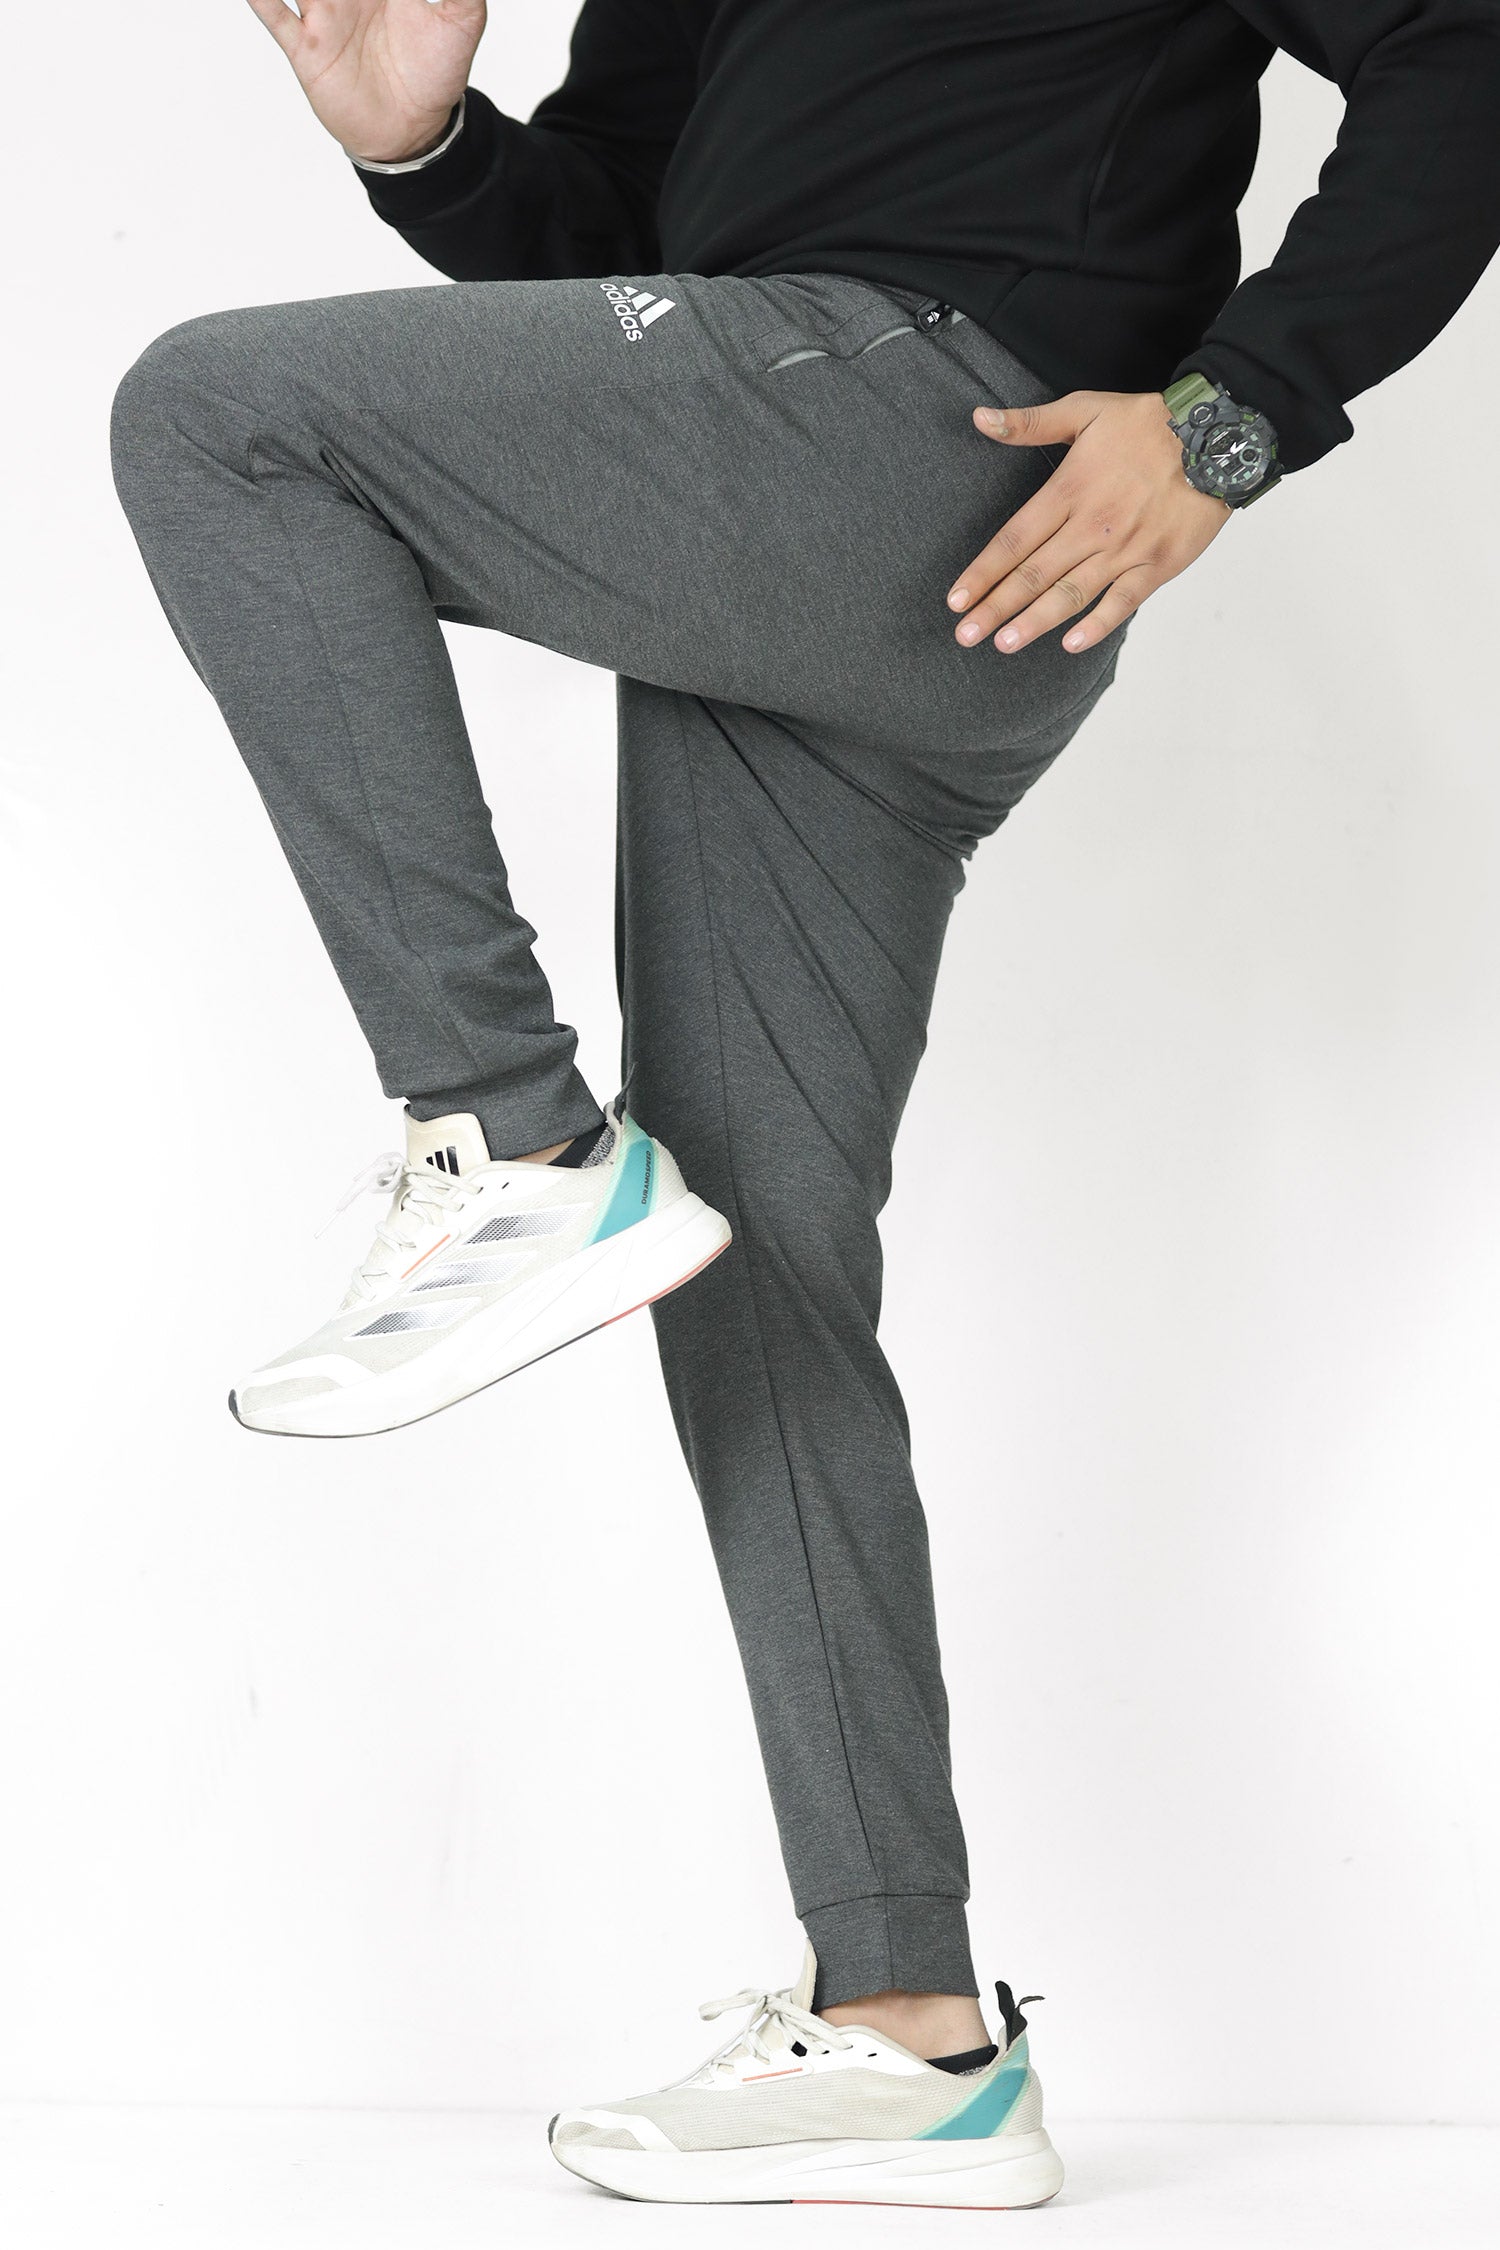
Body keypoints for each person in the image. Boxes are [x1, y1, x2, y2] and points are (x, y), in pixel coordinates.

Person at [110, 0, 1500, 2210]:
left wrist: (1231, 416)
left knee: (219, 414)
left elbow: (1464, 53)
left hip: (930, 428)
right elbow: (632, 248)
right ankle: (909, 2025)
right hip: (851, 542)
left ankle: (510, 1135)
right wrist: (430, 150)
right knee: (746, 1253)